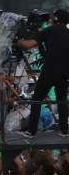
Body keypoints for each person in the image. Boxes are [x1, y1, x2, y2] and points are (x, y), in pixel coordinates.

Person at [20, 9, 69, 137]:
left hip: (49, 71)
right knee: (62, 100)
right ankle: (64, 130)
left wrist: (18, 42)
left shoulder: (49, 30)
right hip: (64, 72)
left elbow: (30, 44)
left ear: (56, 19)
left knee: (37, 100)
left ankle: (32, 131)